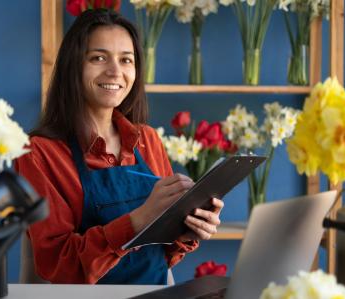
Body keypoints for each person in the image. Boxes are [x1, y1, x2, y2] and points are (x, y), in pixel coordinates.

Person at [15, 8, 224, 285]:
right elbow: (59, 264)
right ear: (73, 66)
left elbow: (162, 255)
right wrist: (138, 220)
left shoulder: (147, 140)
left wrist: (186, 232)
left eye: (126, 60)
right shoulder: (40, 154)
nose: (115, 71)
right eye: (99, 58)